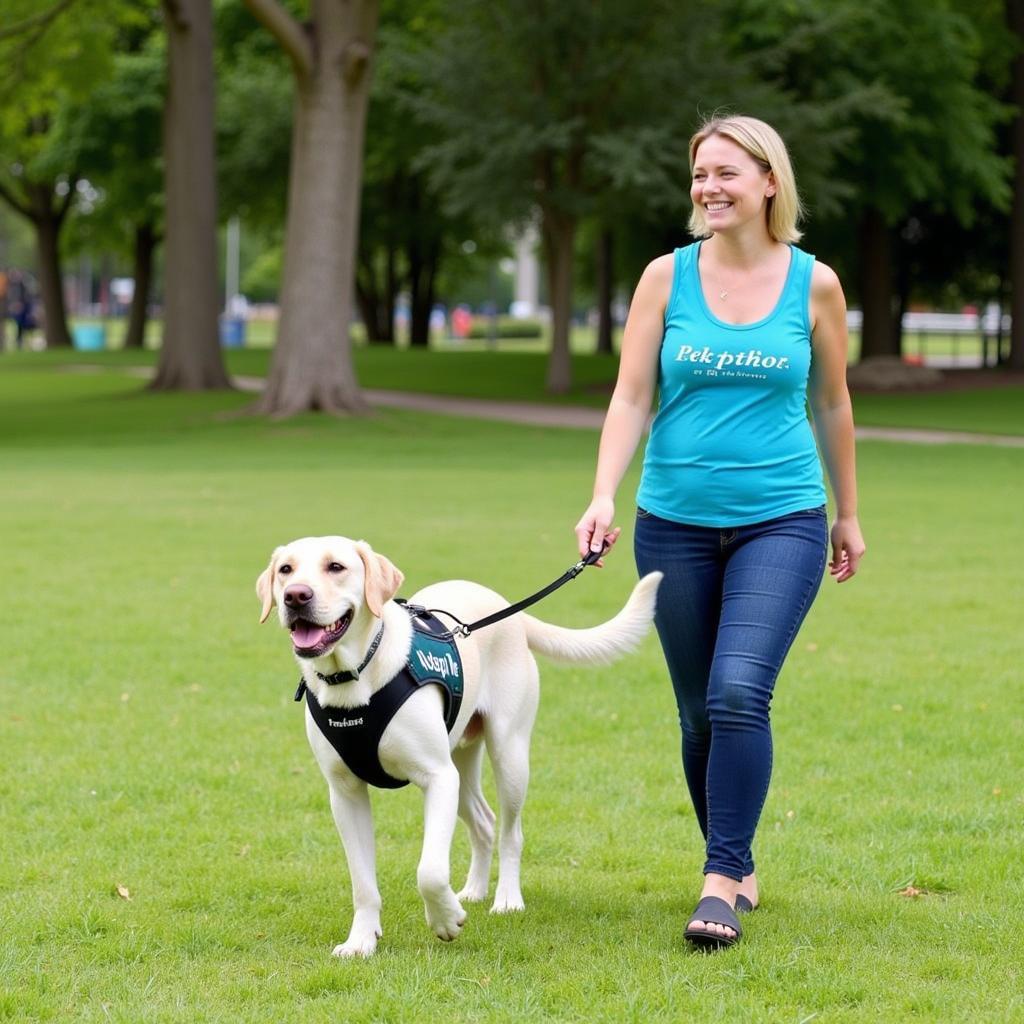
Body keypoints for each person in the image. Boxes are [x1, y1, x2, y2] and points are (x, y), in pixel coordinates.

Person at [574, 115, 865, 950]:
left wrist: (847, 511)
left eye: (727, 172)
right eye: (700, 172)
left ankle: (719, 881)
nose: (709, 186)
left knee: (741, 688)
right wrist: (603, 495)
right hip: (674, 524)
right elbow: (631, 396)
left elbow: (835, 403)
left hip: (783, 519)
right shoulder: (666, 277)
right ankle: (737, 861)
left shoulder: (816, 285)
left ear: (770, 181)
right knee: (701, 712)